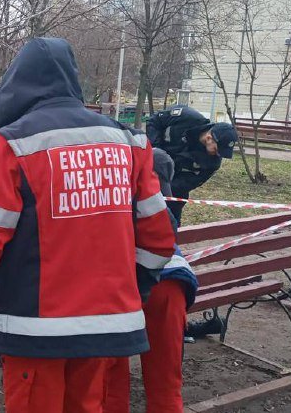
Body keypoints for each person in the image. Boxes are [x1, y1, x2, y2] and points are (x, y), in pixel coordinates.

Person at [0, 38, 177, 413]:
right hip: (104, 331)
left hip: (33, 334)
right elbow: (159, 241)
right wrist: (130, 293)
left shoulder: (10, 145)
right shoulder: (131, 143)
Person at [102, 148, 199, 413]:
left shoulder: (110, 190)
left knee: (111, 383)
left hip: (121, 291)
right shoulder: (159, 205)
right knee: (166, 386)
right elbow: (165, 238)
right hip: (171, 287)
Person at [145, 105, 239, 226]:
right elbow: (154, 121)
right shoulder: (186, 117)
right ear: (209, 138)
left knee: (171, 227)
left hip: (172, 195)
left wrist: (162, 187)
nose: (218, 154)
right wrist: (155, 151)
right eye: (217, 149)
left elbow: (187, 183)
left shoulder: (212, 163)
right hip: (147, 169)